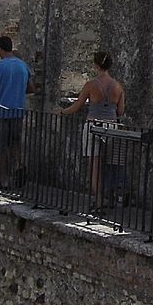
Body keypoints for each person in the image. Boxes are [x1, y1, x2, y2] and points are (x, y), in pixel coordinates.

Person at [60, 51, 126, 210]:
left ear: (96, 65)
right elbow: (120, 112)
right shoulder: (118, 87)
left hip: (93, 126)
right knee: (110, 164)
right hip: (111, 127)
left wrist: (61, 112)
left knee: (94, 165)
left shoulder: (91, 85)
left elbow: (77, 106)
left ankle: (98, 201)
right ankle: (110, 197)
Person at [0, 35, 34, 189]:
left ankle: (3, 178)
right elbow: (31, 88)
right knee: (15, 144)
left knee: (1, 147)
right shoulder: (22, 65)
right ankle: (17, 166)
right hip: (18, 111)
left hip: (1, 112)